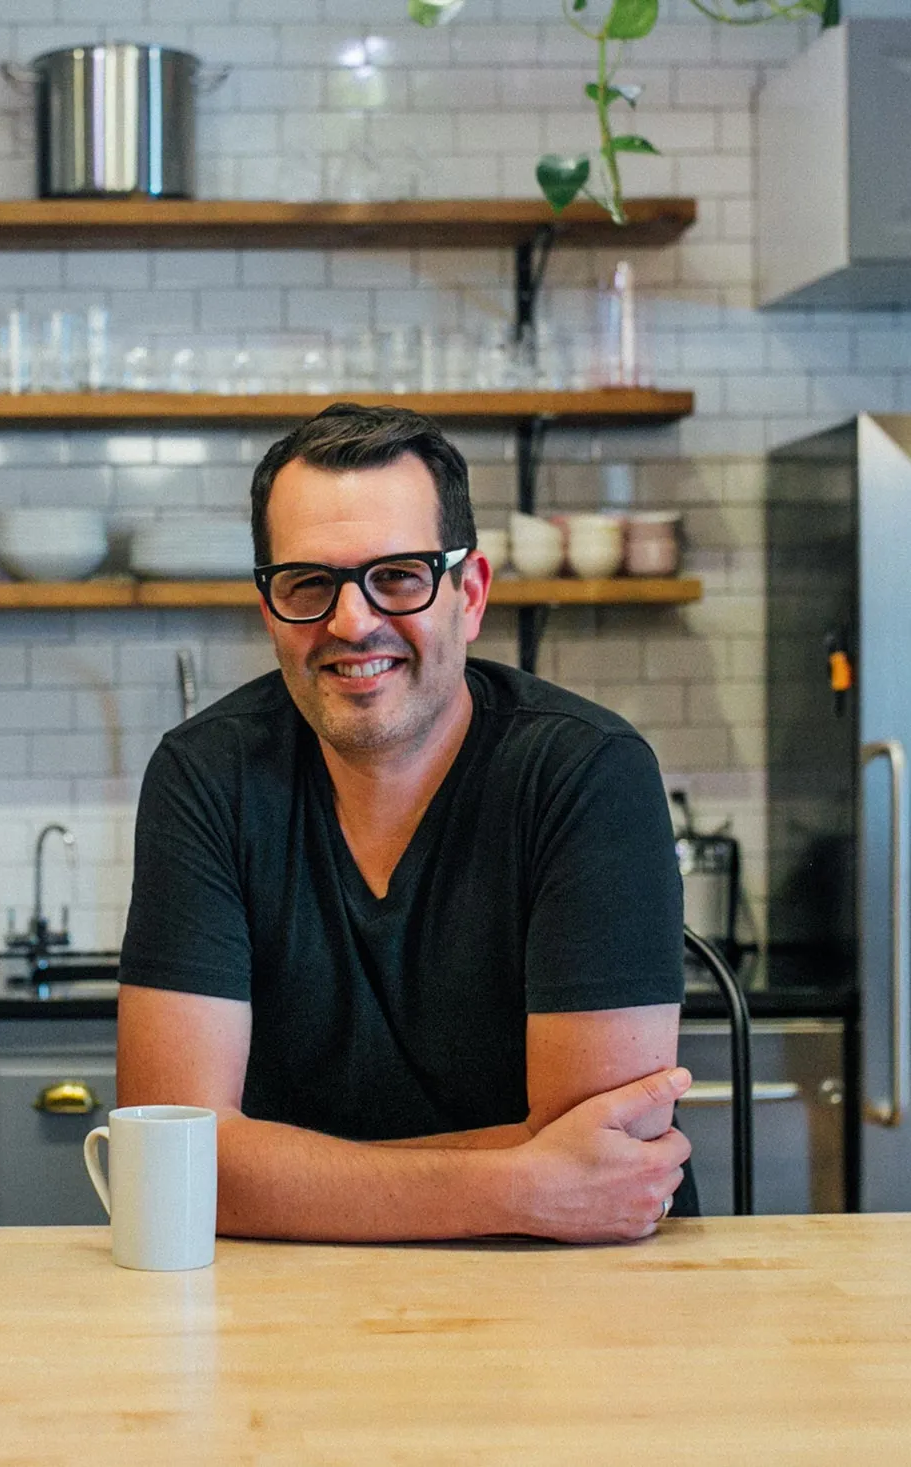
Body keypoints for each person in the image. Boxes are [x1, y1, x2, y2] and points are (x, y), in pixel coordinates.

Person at [115, 402, 694, 1244]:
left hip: (565, 1292)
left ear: (471, 593)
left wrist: (283, 1175)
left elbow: (609, 1162)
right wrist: (522, 1182)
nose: (352, 621)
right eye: (308, 583)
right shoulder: (206, 776)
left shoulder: (588, 772)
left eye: (399, 575)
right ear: (270, 608)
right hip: (293, 1300)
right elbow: (171, 1166)